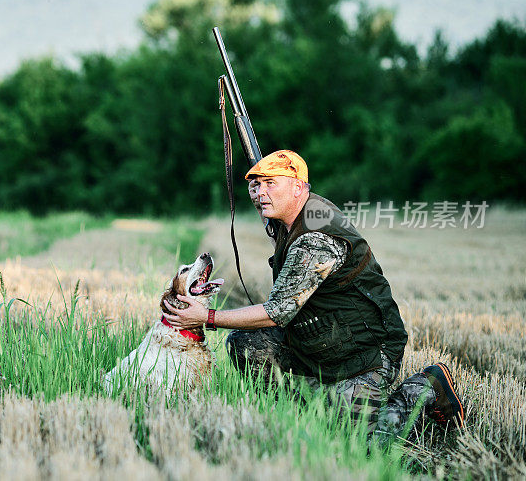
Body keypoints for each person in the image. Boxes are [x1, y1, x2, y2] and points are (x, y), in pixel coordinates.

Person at [161, 149, 465, 442]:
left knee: (366, 445)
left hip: (364, 351)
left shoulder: (315, 238)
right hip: (320, 339)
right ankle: (300, 415)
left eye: (270, 184)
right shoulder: (291, 214)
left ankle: (427, 386)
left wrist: (207, 318)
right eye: (256, 186)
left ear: (298, 188)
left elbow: (277, 312)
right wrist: (266, 190)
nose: (258, 193)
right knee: (245, 344)